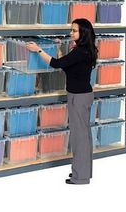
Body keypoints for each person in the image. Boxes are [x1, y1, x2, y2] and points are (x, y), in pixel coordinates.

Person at [26, 18, 98, 185]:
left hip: (78, 98)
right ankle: (84, 174)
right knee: (84, 137)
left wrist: (38, 50)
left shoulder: (80, 52)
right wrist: (58, 48)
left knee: (79, 139)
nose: (71, 33)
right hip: (84, 96)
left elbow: (56, 65)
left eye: (74, 30)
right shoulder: (85, 50)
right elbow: (67, 66)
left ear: (83, 33)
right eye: (71, 30)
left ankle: (79, 178)